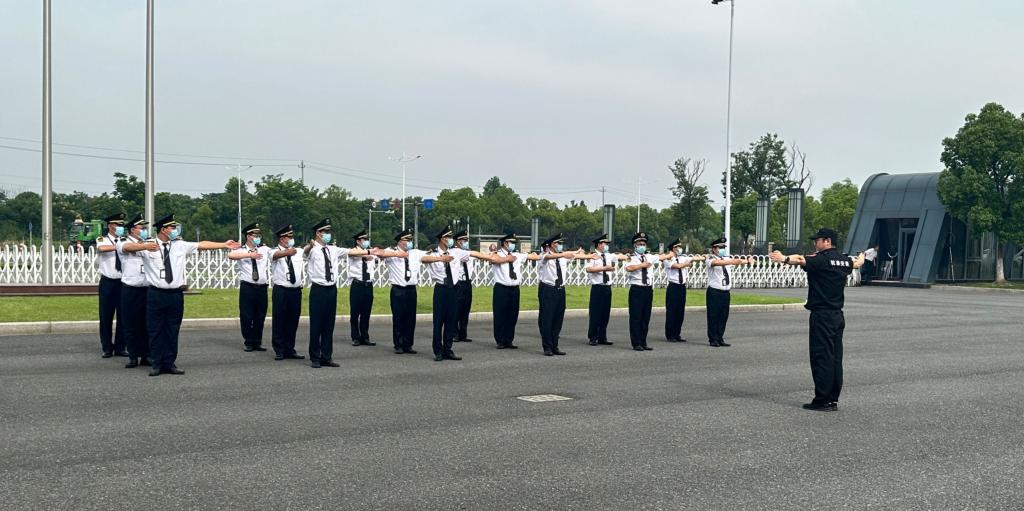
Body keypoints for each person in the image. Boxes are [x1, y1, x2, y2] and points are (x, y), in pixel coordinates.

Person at [770, 228, 864, 411]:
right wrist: (862, 257)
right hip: (837, 315)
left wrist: (783, 258)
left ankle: (823, 399)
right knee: (835, 358)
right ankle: (833, 399)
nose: (815, 243)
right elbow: (857, 264)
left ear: (827, 241)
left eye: (818, 240)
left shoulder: (821, 259)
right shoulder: (844, 260)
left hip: (822, 316)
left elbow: (800, 259)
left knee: (822, 357)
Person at [140, 214, 240, 376]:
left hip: (175, 294)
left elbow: (202, 245)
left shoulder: (179, 245)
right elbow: (125, 247)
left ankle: (170, 363)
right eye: (172, 227)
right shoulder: (147, 246)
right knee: (155, 330)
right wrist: (142, 246)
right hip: (156, 294)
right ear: (163, 230)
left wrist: (223, 244)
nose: (175, 230)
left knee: (172, 330)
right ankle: (156, 363)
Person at [303, 218, 377, 368]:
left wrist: (369, 251)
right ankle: (315, 357)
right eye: (325, 232)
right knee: (316, 325)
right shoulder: (312, 249)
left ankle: (327, 356)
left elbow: (351, 251)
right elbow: (305, 253)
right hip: (318, 289)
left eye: (329, 232)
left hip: (331, 289)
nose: (328, 234)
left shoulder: (333, 249)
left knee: (328, 325)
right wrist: (309, 246)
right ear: (318, 233)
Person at [489, 233, 543, 350]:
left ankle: (509, 339)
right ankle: (500, 340)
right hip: (501, 288)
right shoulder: (497, 254)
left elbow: (532, 257)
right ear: (505, 243)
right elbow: (493, 259)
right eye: (511, 242)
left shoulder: (517, 255)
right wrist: (506, 259)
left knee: (513, 315)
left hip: (514, 289)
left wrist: (542, 255)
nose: (513, 245)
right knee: (500, 315)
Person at [227, 223, 274, 352]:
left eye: (259, 235)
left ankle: (257, 341)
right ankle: (248, 341)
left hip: (261, 287)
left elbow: (274, 253)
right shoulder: (242, 250)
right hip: (248, 287)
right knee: (246, 315)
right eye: (255, 235)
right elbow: (231, 255)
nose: (258, 238)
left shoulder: (264, 249)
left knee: (260, 315)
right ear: (248, 236)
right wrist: (249, 255)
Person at [623, 232, 673, 351]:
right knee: (636, 317)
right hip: (637, 289)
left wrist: (671, 253)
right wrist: (642, 265)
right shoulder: (631, 257)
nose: (642, 246)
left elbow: (661, 257)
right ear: (635, 245)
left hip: (648, 289)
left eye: (644, 244)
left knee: (646, 317)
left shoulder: (649, 256)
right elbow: (629, 268)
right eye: (640, 244)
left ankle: (643, 341)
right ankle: (636, 343)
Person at [536, 233, 584, 356]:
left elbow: (573, 255)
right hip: (548, 289)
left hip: (560, 289)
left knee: (558, 319)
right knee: (547, 319)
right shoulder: (545, 255)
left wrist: (578, 252)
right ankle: (547, 347)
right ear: (551, 245)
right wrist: (563, 254)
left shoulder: (562, 257)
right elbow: (548, 257)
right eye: (557, 243)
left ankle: (555, 346)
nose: (560, 245)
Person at [705, 237, 755, 347]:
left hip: (725, 292)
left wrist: (747, 261)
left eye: (723, 247)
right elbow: (716, 263)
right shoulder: (710, 258)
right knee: (713, 316)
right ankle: (713, 339)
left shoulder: (725, 259)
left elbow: (738, 261)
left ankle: (720, 337)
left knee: (723, 316)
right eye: (720, 247)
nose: (722, 249)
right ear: (714, 248)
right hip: (715, 292)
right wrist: (732, 261)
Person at [116, 214, 151, 368]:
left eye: (145, 228)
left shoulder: (148, 242)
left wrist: (146, 245)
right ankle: (133, 356)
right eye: (141, 228)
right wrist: (145, 246)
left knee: (147, 324)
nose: (144, 231)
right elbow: (128, 248)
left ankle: (146, 355)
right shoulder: (123, 241)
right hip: (131, 289)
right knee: (131, 324)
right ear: (132, 230)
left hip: (147, 288)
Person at [269, 224, 305, 361]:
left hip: (295, 291)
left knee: (293, 321)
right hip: (281, 290)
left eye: (291, 237)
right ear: (281, 239)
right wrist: (287, 253)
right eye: (288, 237)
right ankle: (279, 349)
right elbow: (275, 256)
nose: (291, 239)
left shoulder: (297, 251)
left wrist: (310, 245)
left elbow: (306, 251)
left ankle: (290, 348)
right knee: (279, 320)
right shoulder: (274, 251)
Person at [95, 212, 127, 358]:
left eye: (121, 225)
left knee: (123, 316)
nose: (120, 227)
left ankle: (121, 347)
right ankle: (107, 347)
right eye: (117, 224)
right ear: (110, 226)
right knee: (106, 316)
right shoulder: (102, 239)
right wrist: (120, 247)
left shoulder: (125, 240)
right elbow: (102, 249)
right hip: (108, 282)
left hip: (123, 282)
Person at [585, 234, 627, 346]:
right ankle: (593, 337)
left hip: (607, 287)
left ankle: (602, 337)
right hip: (597, 287)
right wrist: (604, 268)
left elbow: (619, 257)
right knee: (595, 313)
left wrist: (627, 256)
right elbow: (589, 269)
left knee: (605, 313)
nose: (606, 246)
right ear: (599, 245)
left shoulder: (608, 255)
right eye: (604, 243)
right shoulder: (593, 256)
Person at [663, 238, 705, 343]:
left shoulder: (682, 257)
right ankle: (670, 334)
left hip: (682, 287)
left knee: (680, 312)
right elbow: (677, 266)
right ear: (673, 248)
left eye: (680, 247)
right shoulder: (667, 259)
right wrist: (686, 264)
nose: (679, 248)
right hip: (673, 287)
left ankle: (677, 333)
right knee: (672, 311)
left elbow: (693, 258)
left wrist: (704, 257)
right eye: (678, 247)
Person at [347, 230, 377, 347]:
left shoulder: (370, 251)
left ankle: (365, 336)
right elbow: (352, 254)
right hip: (357, 285)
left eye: (366, 239)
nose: (366, 241)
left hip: (368, 285)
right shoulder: (354, 251)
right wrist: (365, 254)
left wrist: (370, 252)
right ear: (358, 241)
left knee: (366, 312)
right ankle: (355, 337)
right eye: (363, 239)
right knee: (355, 312)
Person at [450, 230, 475, 343]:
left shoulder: (469, 252)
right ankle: (454, 333)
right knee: (456, 309)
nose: (466, 242)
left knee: (466, 309)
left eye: (466, 240)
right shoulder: (454, 252)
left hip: (467, 283)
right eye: (464, 240)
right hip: (458, 283)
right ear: (458, 241)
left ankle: (463, 334)